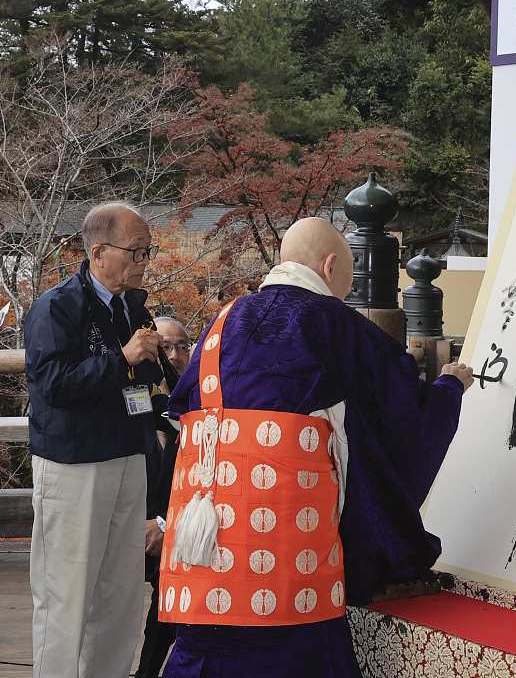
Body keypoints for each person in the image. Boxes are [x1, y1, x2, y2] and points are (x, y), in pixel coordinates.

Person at [158, 217, 472, 677]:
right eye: (350, 270)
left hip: (201, 560)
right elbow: (402, 421)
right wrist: (448, 390)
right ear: (330, 266)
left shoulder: (222, 322)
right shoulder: (333, 323)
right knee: (294, 650)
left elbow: (182, 416)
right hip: (287, 565)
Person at [25, 201, 164, 678]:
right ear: (99, 251)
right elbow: (54, 385)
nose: (143, 260)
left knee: (121, 593)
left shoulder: (132, 305)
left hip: (129, 455)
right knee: (67, 592)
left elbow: (140, 381)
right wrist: (124, 357)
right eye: (136, 251)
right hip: (75, 463)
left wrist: (148, 360)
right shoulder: (55, 306)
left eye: (148, 250)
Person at [136, 316, 192, 678]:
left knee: (169, 601)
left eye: (183, 346)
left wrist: (163, 523)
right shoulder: (136, 396)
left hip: (173, 522)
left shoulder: (199, 399)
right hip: (127, 519)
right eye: (165, 347)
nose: (174, 355)